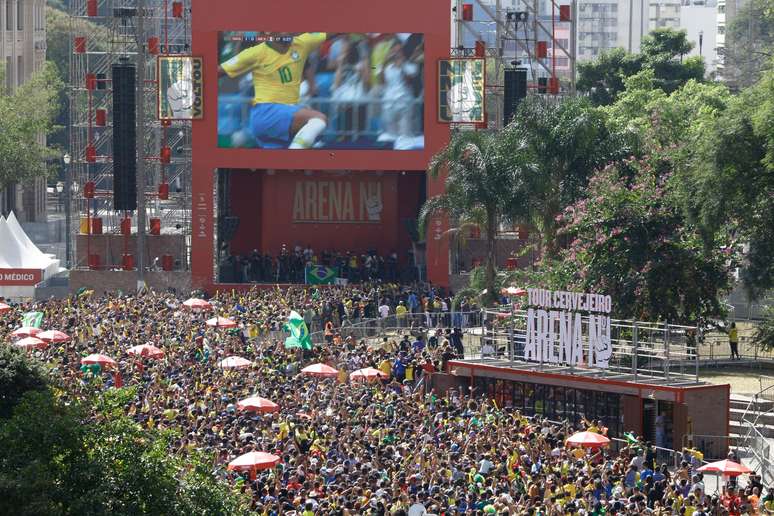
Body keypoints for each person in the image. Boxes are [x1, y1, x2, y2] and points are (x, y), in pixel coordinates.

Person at [219, 32, 328, 149]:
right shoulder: (255, 53)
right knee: (318, 119)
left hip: (280, 118)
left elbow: (334, 32)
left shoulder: (302, 43)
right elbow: (219, 70)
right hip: (268, 112)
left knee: (279, 164)